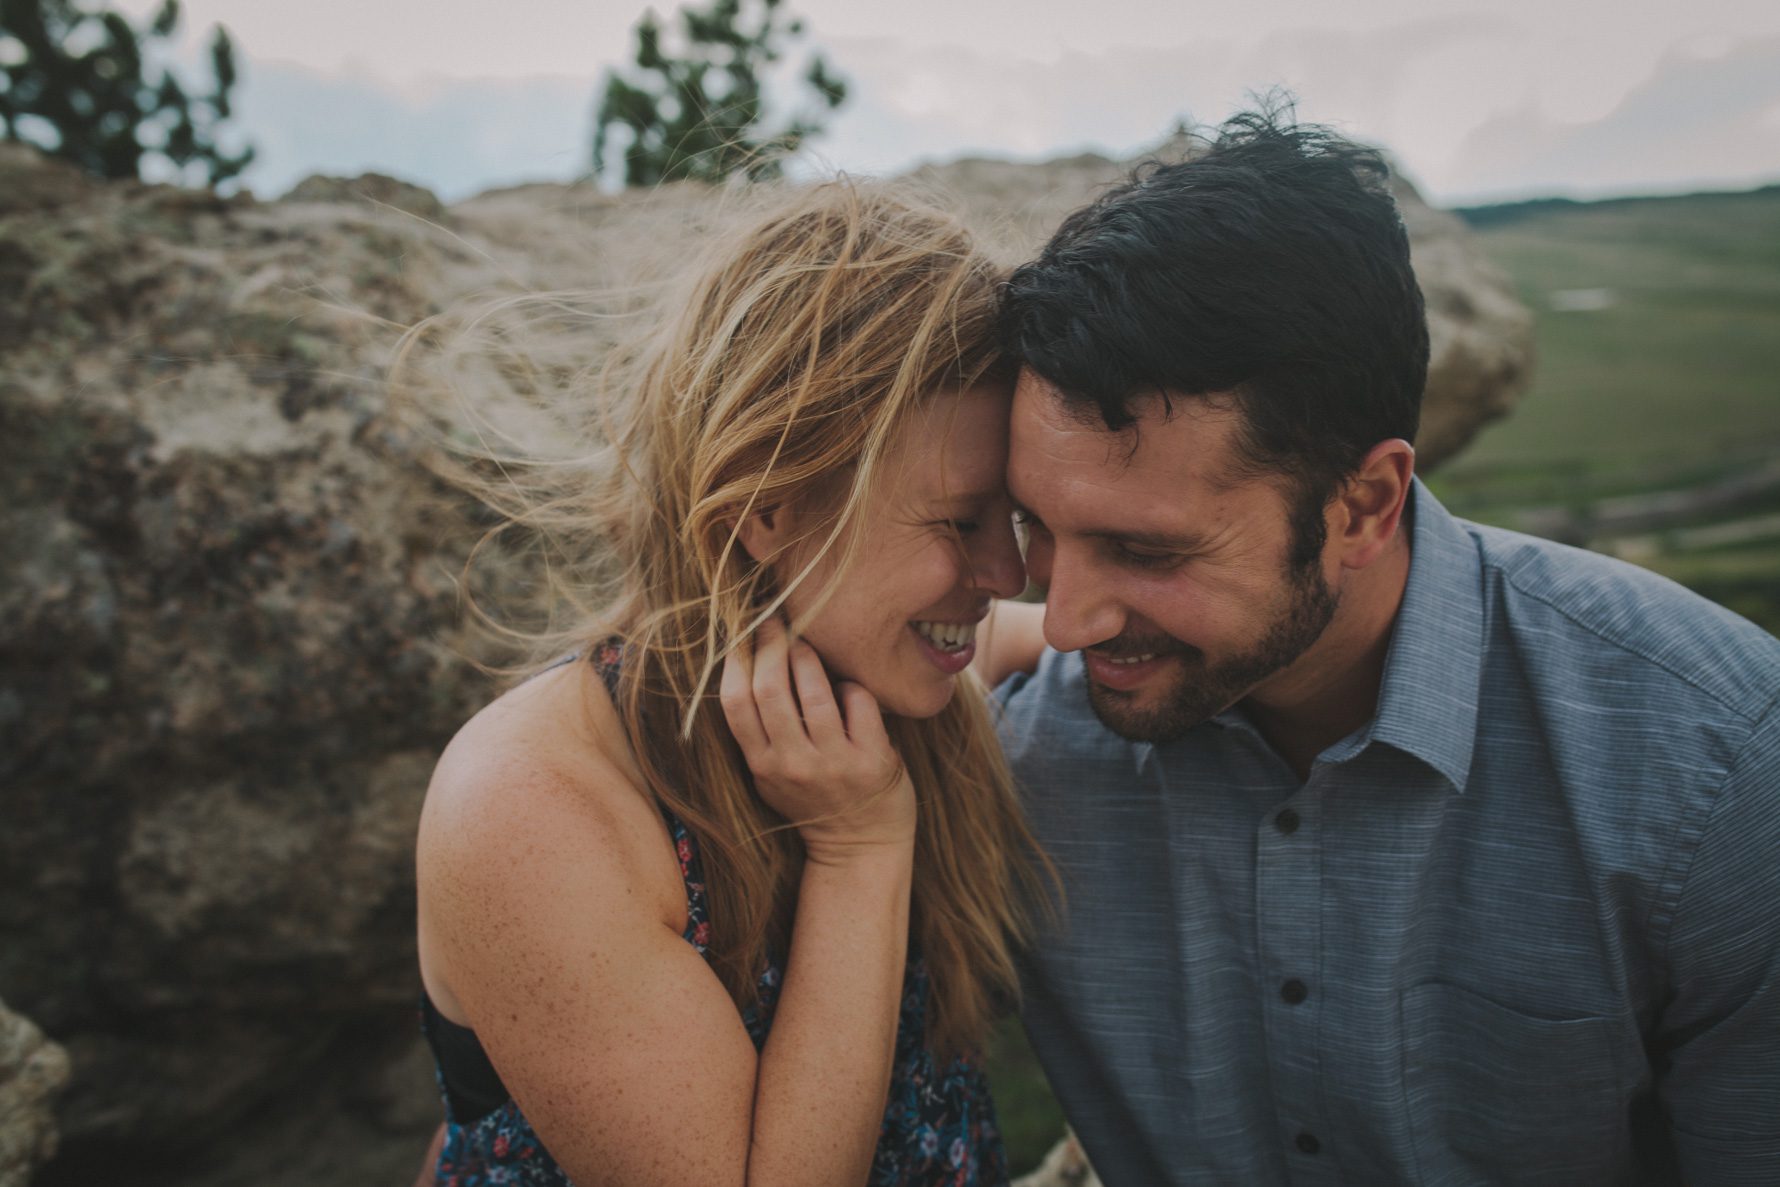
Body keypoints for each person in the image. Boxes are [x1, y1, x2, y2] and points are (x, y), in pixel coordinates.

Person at [990, 110, 1780, 1184]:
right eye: (1040, 527)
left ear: (1364, 503)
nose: (1070, 620)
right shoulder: (1016, 760)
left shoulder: (1719, 773)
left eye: (1143, 547)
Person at [408, 180, 1051, 1186]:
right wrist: (858, 848)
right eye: (959, 522)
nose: (1005, 573)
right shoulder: (533, 811)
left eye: (1013, 522)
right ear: (767, 506)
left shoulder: (875, 682)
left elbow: (1032, 631)